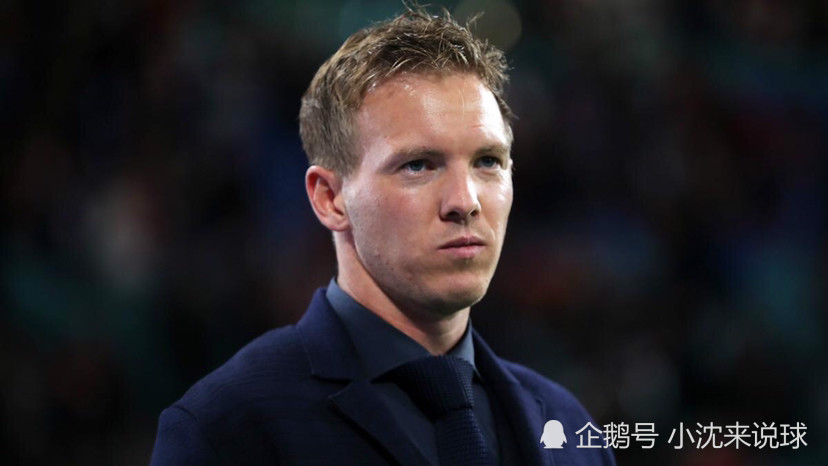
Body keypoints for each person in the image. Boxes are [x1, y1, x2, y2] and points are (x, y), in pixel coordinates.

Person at [150, 6, 615, 466]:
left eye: (488, 161)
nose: (465, 201)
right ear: (330, 198)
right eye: (419, 165)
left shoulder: (570, 428)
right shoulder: (225, 430)